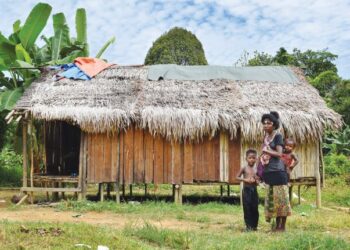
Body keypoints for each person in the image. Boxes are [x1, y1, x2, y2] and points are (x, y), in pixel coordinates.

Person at [261, 111, 291, 232]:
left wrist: (266, 152)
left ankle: (282, 227)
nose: (265, 125)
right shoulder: (266, 137)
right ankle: (276, 226)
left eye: (268, 123)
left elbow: (279, 154)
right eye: (264, 123)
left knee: (282, 201)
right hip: (269, 172)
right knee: (274, 201)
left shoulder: (278, 136)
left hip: (278, 172)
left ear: (274, 125)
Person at [236, 149, 260, 231]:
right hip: (246, 190)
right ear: (246, 158)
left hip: (254, 190)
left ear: (256, 159)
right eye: (250, 158)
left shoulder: (257, 169)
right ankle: (248, 227)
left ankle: (255, 226)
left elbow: (258, 181)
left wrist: (257, 181)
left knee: (255, 208)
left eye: (254, 158)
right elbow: (237, 177)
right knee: (247, 208)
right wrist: (245, 180)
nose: (252, 159)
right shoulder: (244, 168)